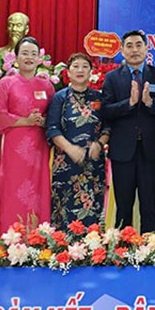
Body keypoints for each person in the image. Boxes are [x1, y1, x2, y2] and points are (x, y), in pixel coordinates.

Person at [102, 30, 155, 233]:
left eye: (138, 45)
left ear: (146, 48)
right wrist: (129, 103)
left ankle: (149, 251)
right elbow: (105, 110)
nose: (134, 50)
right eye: (129, 46)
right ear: (122, 50)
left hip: (151, 151)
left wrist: (151, 103)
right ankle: (124, 251)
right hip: (123, 151)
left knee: (149, 205)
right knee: (124, 206)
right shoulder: (112, 78)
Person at [0, 37, 54, 233]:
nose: (29, 57)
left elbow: (53, 116)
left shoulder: (47, 86)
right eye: (24, 53)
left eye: (33, 54)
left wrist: (42, 121)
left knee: (38, 189)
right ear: (16, 57)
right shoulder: (6, 84)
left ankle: (37, 236)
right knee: (12, 189)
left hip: (38, 147)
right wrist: (26, 121)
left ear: (39, 59)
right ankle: (11, 236)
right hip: (14, 147)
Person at [46, 53, 110, 230]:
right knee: (64, 212)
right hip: (66, 163)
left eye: (84, 66)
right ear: (68, 72)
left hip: (93, 164)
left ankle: (91, 252)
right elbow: (52, 128)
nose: (80, 70)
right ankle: (63, 253)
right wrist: (70, 148)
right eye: (76, 66)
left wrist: (99, 143)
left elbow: (107, 127)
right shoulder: (60, 98)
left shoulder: (99, 98)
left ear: (91, 71)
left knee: (93, 213)